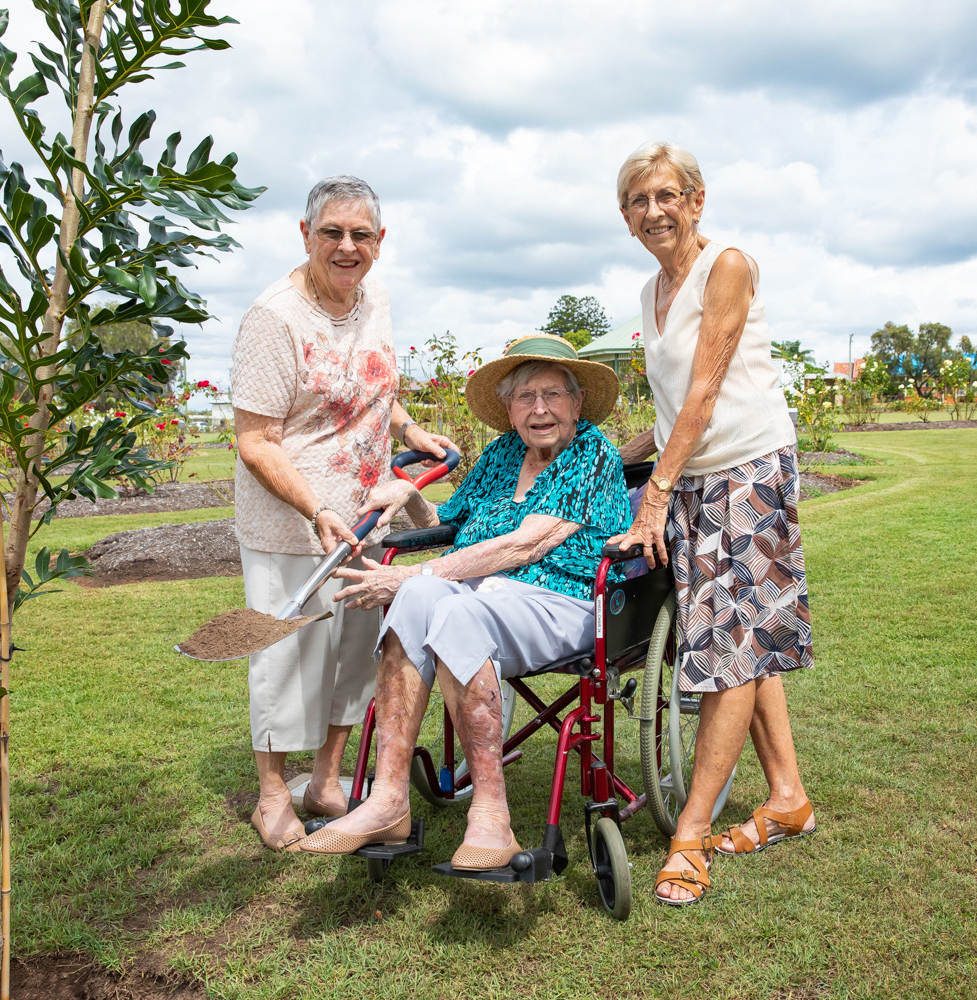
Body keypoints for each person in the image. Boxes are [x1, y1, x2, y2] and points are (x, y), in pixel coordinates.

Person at [288, 336, 631, 869]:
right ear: (510, 407)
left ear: (577, 401)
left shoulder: (592, 452)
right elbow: (449, 529)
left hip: (560, 601)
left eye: (552, 395)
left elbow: (527, 544)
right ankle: (387, 800)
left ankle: (492, 813)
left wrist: (413, 577)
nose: (539, 410)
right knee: (427, 597)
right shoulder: (499, 455)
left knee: (435, 596)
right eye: (525, 397)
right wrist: (410, 495)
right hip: (477, 597)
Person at [610, 142, 817, 905]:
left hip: (749, 470)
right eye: (639, 201)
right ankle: (788, 797)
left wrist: (657, 490)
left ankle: (690, 832)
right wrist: (611, 454)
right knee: (742, 637)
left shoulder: (725, 265)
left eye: (667, 195)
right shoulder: (649, 290)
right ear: (625, 217)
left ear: (696, 200)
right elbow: (671, 412)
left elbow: (706, 388)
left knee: (729, 645)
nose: (655, 211)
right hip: (695, 473)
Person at [231, 175, 456, 851]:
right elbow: (254, 441)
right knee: (286, 653)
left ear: (379, 243)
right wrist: (316, 507)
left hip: (366, 518)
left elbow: (373, 385)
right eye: (332, 232)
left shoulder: (374, 298)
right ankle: (273, 796)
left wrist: (410, 431)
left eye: (361, 234)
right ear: (305, 236)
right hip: (292, 522)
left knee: (355, 654)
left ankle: (326, 779)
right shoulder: (273, 319)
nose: (347, 246)